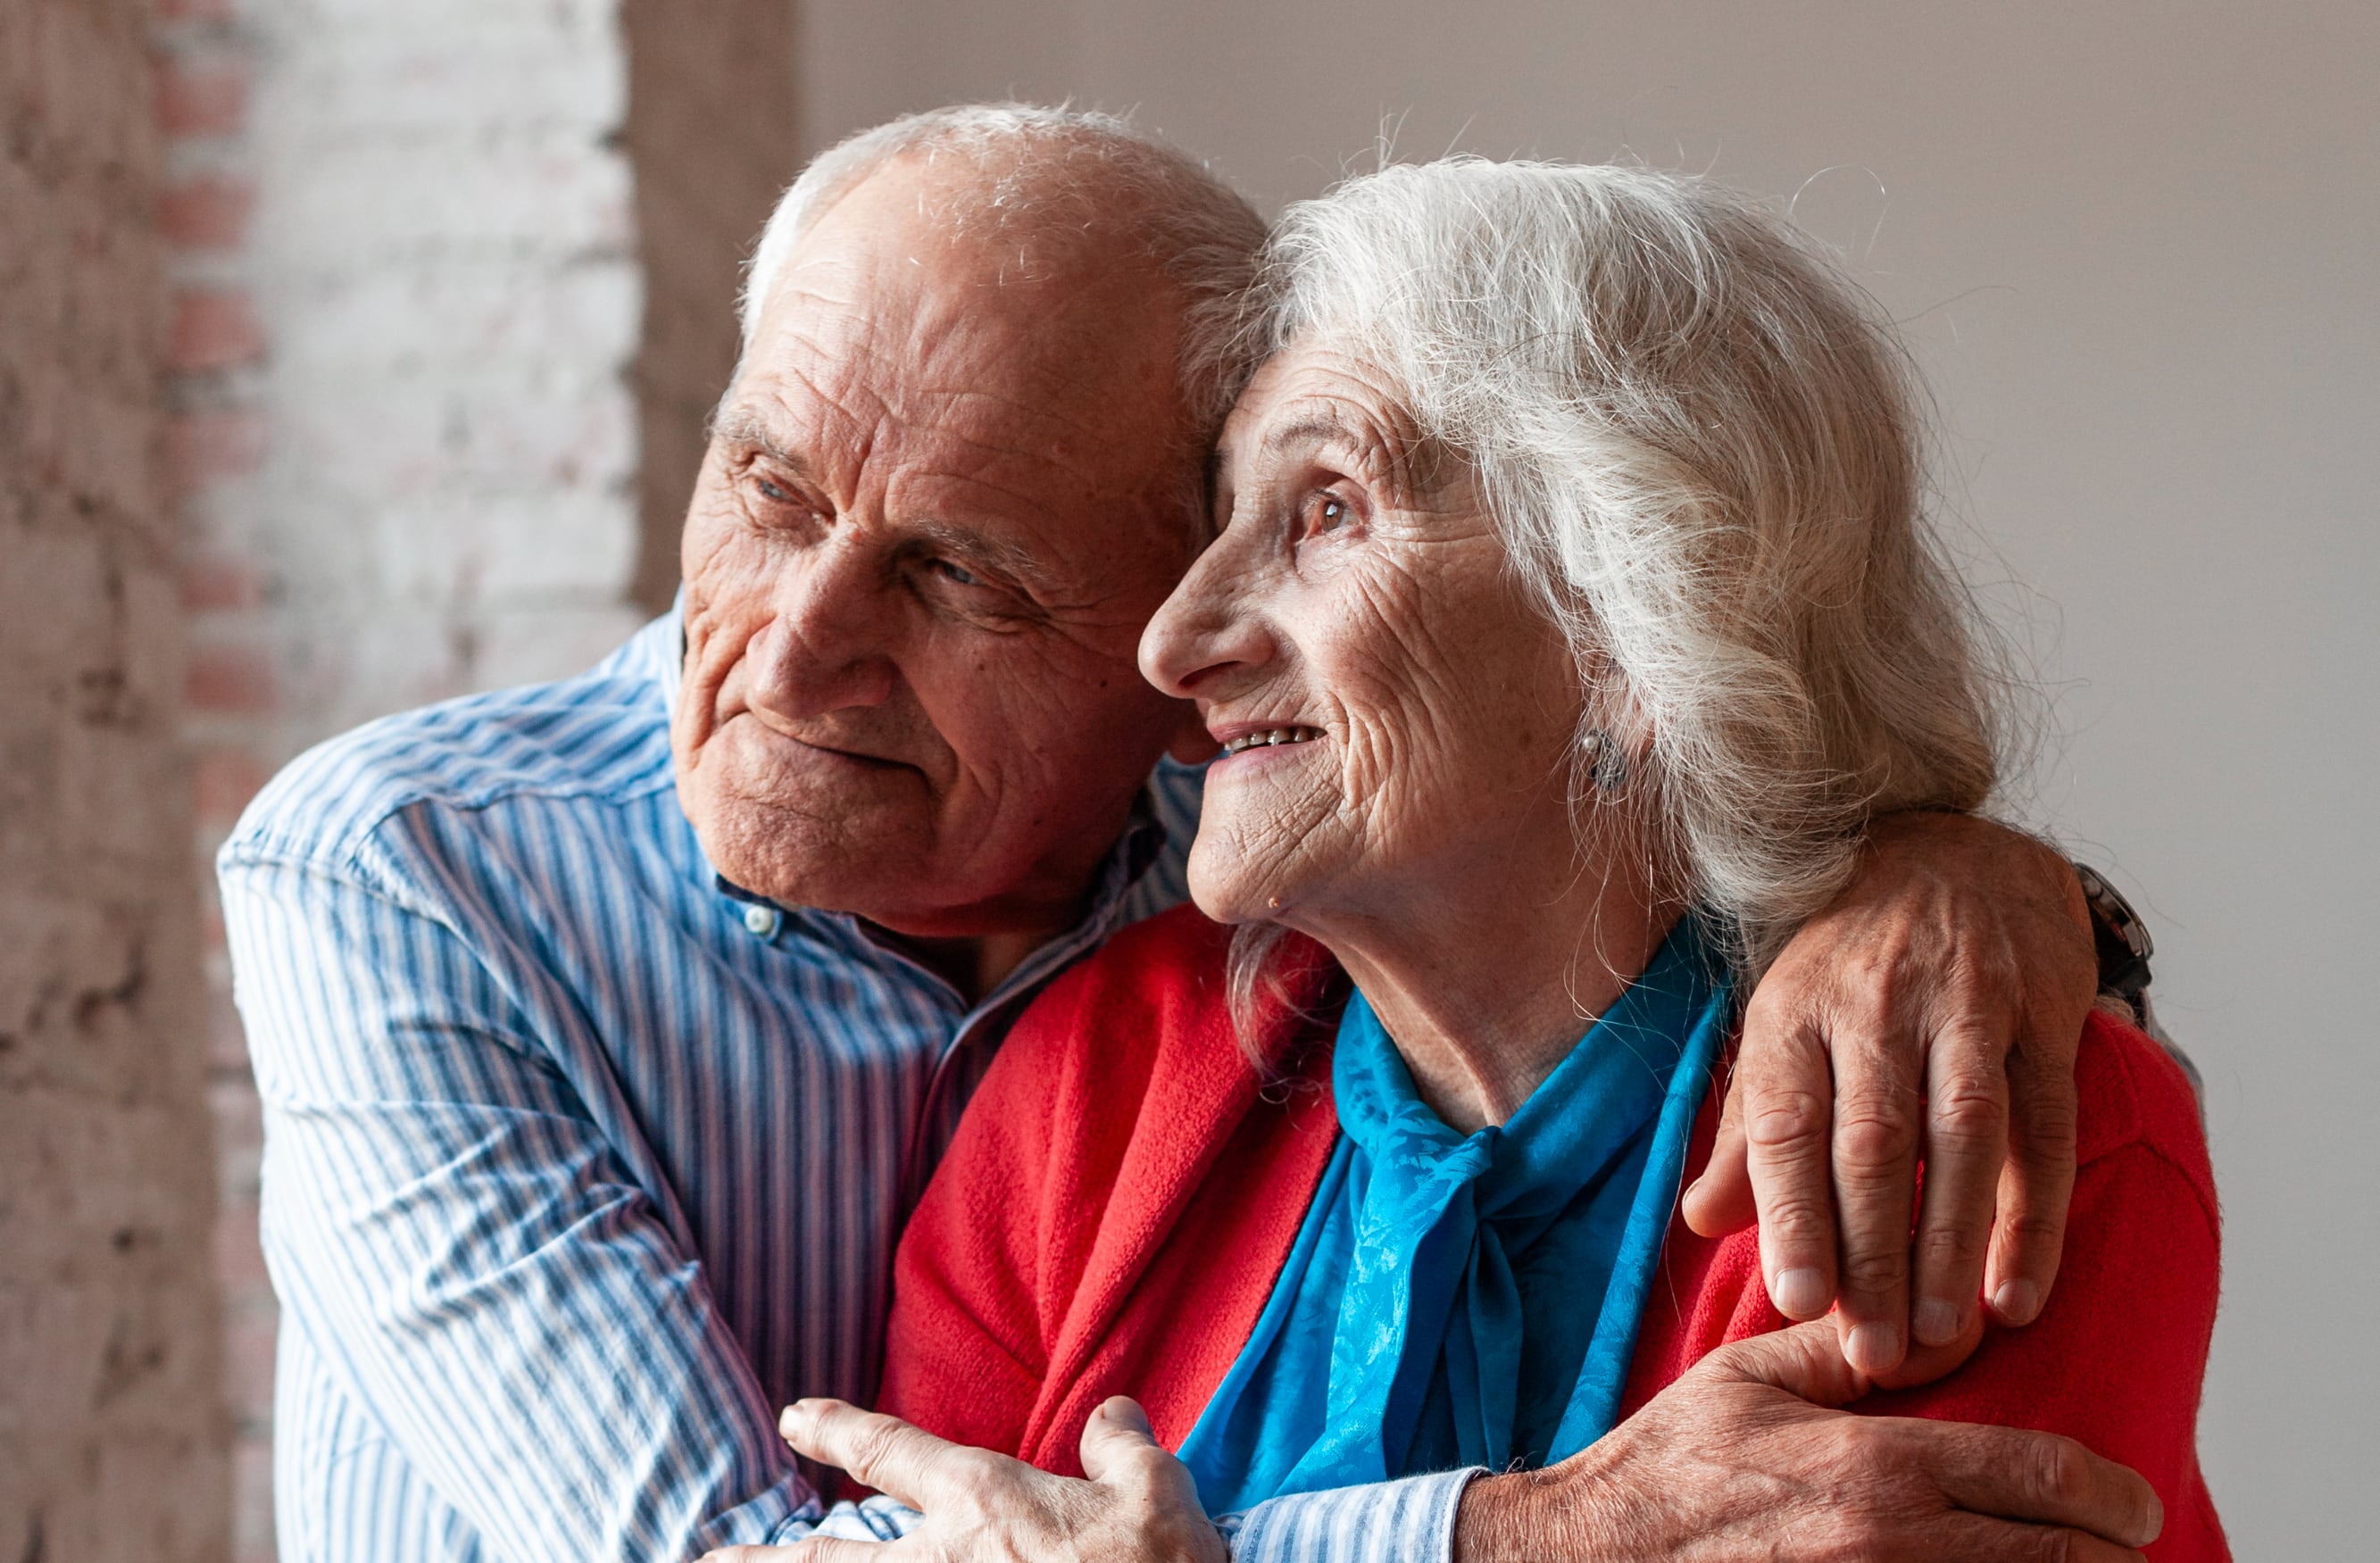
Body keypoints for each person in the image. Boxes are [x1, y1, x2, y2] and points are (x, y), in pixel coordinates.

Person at [223, 107, 2156, 1563]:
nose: (798, 651)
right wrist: (1523, 1534)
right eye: (768, 489)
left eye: (964, 575)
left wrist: (1963, 873)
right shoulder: (406, 875)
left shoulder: (1246, 868)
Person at [732, 160, 2222, 1562]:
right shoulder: (1090, 1086)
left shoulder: (1967, 1113)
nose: (1177, 642)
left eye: (1324, 514)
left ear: (1639, 627)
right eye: (1220, 523)